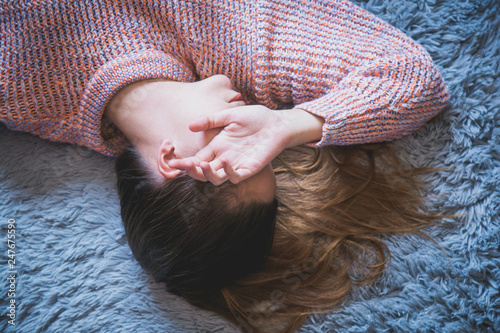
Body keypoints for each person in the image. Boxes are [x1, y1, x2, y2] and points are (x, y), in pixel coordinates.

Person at [0, 0, 449, 331]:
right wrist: (291, 123)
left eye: (242, 156)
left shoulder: (16, 90)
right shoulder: (244, 45)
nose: (255, 127)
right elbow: (413, 78)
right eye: (268, 153)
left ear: (173, 161)